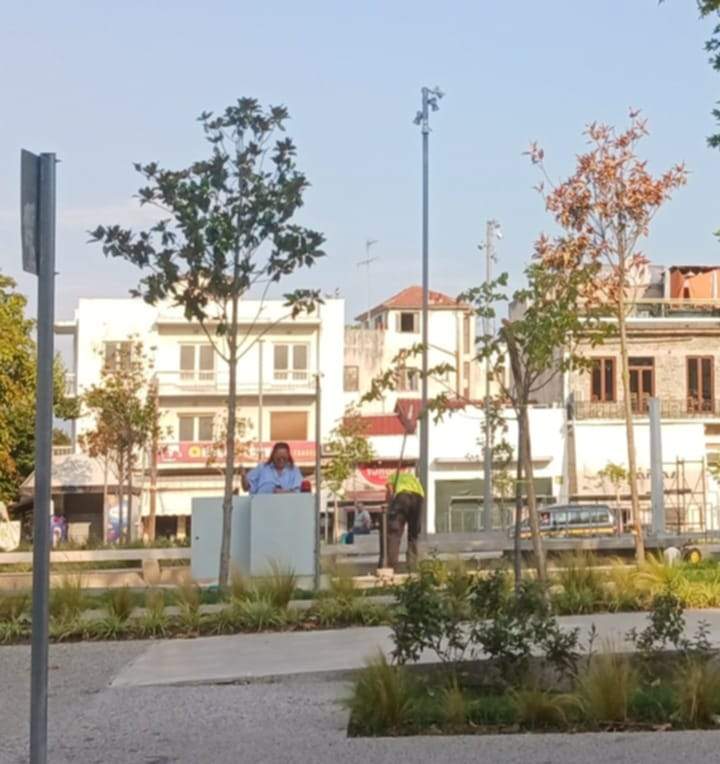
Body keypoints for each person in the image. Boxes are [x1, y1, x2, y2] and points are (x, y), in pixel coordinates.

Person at [381, 470, 424, 570]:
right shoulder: (412, 478)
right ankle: (412, 565)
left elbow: (390, 491)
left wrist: (389, 505)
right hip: (418, 498)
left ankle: (391, 565)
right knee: (413, 533)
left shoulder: (392, 477)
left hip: (402, 498)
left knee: (394, 533)